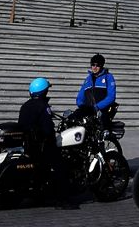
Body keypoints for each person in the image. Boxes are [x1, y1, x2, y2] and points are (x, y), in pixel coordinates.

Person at [19, 77, 71, 207]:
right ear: (44, 92)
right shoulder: (43, 106)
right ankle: (63, 200)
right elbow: (47, 129)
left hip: (28, 145)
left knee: (40, 169)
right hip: (42, 145)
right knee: (61, 167)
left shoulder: (25, 105)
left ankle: (38, 194)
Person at [73, 53, 117, 135]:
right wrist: (81, 105)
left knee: (102, 125)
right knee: (73, 118)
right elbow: (80, 97)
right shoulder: (88, 79)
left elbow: (111, 97)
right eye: (93, 65)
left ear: (102, 65)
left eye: (97, 65)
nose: (95, 67)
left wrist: (97, 107)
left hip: (101, 109)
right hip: (89, 109)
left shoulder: (108, 77)